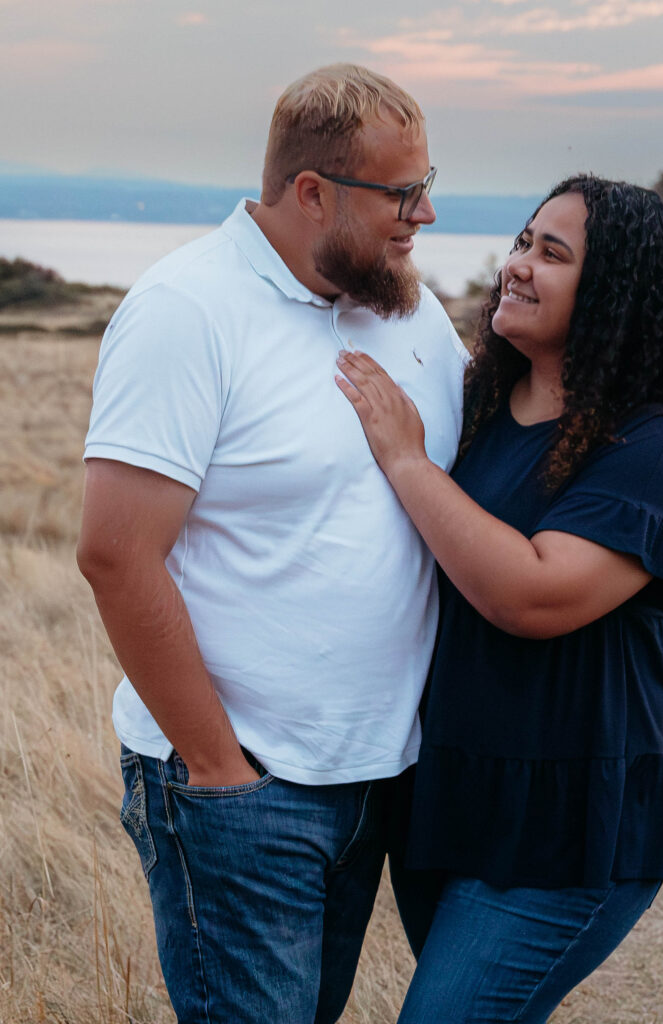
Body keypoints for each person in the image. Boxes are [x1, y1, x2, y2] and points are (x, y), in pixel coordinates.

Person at [76, 64, 467, 1024]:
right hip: (246, 785)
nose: (423, 214)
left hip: (387, 776)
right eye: (402, 193)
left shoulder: (409, 308)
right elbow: (116, 554)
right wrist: (219, 772)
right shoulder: (187, 310)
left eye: (428, 185)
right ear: (312, 193)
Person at [335, 174, 663, 1023]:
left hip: (567, 826)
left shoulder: (655, 442)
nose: (518, 265)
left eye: (551, 254)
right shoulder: (482, 404)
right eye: (522, 241)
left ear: (613, 293)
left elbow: (532, 593)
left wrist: (408, 461)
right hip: (449, 801)